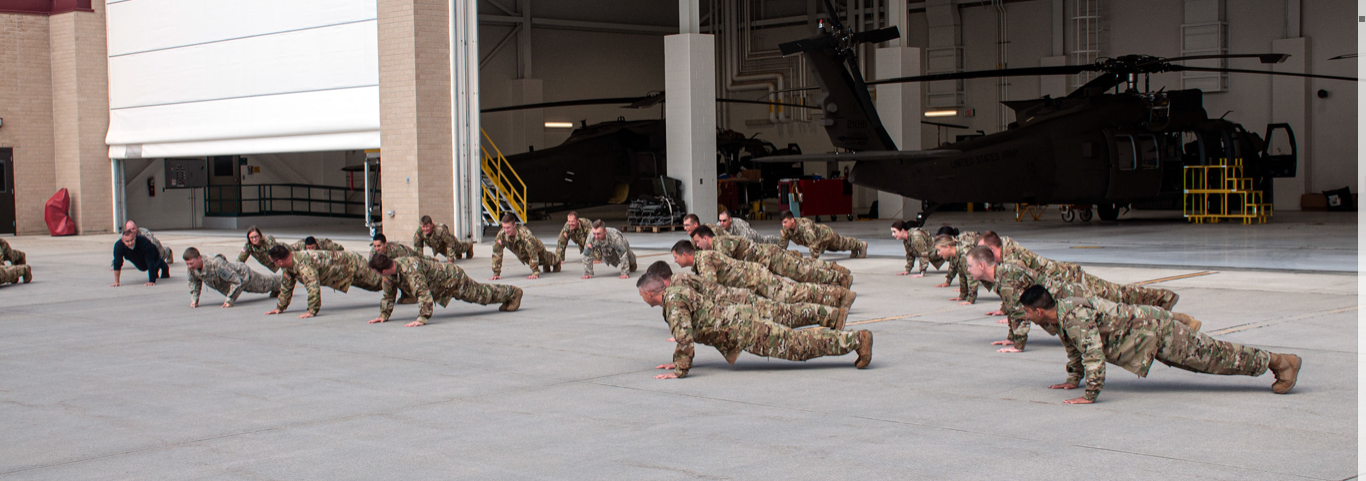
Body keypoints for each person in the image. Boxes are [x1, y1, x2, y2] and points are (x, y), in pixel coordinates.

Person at [1018, 285, 1302, 403]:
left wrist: (1089, 395)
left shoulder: (1074, 317)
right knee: (1211, 360)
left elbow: (1092, 354)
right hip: (1149, 336)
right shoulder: (1061, 314)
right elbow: (1075, 348)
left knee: (1215, 357)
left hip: (1157, 333)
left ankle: (1280, 362)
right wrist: (1073, 378)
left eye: (1028, 312)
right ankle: (1180, 320)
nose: (1027, 317)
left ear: (1039, 311)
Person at [637, 272, 872, 379]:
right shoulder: (677, 291)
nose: (642, 299)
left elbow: (684, 337)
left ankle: (856, 340)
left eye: (642, 295)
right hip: (741, 321)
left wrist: (680, 369)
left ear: (649, 293)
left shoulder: (674, 302)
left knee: (798, 346)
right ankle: (850, 338)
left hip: (745, 331)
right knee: (795, 342)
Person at [964, 246, 1193, 352]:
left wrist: (1017, 345)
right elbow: (1020, 310)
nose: (968, 270)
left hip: (1074, 297)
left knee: (1126, 313)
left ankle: (1178, 318)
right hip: (1069, 299)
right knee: (1125, 313)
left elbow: (1018, 313)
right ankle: (1175, 317)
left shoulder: (1005, 279)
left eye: (970, 266)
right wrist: (1011, 338)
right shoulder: (1003, 276)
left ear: (982, 265)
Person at [646, 261, 847, 330]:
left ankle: (833, 313)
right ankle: (832, 314)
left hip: (740, 303)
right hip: (738, 301)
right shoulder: (680, 279)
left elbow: (694, 308)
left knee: (788, 315)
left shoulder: (678, 283)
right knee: (787, 315)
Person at [671, 240, 854, 308]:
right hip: (754, 278)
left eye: (676, 257)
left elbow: (711, 288)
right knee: (792, 292)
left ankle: (839, 296)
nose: (675, 262)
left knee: (792, 294)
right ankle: (837, 295)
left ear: (685, 254)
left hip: (757, 279)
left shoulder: (704, 261)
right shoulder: (702, 260)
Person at [367, 253, 523, 327]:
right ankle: (509, 294)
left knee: (481, 295)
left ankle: (513, 292)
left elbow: (423, 293)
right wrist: (383, 315)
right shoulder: (388, 274)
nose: (376, 276)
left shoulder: (410, 269)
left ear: (384, 270)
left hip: (452, 278)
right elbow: (388, 295)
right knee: (481, 295)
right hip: (441, 286)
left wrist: (422, 318)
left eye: (376, 273)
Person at [691, 226, 851, 288]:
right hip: (766, 259)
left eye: (698, 242)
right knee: (802, 268)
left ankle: (839, 279)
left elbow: (728, 267)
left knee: (802, 273)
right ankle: (835, 273)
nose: (697, 246)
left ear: (706, 238)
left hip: (770, 257)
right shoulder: (719, 244)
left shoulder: (721, 245)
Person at [265, 246, 384, 318]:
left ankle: (399, 275)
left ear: (279, 261)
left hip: (353, 264)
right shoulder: (288, 267)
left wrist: (312, 310)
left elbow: (313, 287)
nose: (273, 265)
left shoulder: (304, 264)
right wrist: (280, 307)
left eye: (273, 262)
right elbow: (286, 286)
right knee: (375, 286)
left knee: (378, 283)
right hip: (342, 273)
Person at [183, 247, 281, 308]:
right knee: (266, 285)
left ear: (199, 258)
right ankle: (278, 287)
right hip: (230, 282)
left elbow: (236, 280)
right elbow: (194, 283)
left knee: (264, 285)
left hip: (243, 275)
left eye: (191, 263)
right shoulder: (191, 269)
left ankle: (284, 281)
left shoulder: (216, 263)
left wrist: (230, 300)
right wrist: (194, 300)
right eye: (187, 264)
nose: (189, 266)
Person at [490, 213, 560, 280]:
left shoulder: (524, 235)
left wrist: (535, 272)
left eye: (508, 227)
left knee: (544, 259)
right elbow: (497, 253)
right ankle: (546, 265)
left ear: (514, 225)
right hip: (523, 253)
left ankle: (557, 260)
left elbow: (533, 253)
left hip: (536, 247)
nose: (506, 230)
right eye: (504, 228)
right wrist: (496, 273)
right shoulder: (501, 235)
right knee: (531, 260)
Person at [778, 211, 867, 259]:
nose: (784, 225)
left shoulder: (805, 227)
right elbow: (782, 246)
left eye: (785, 222)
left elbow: (813, 244)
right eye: (782, 223)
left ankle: (861, 245)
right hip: (819, 241)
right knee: (837, 248)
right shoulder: (785, 230)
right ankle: (854, 248)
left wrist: (813, 260)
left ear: (792, 220)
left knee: (842, 244)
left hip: (825, 236)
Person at [933, 231, 985, 303]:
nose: (938, 253)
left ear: (948, 247)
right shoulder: (955, 255)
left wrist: (970, 299)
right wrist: (963, 295)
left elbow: (972, 278)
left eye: (939, 250)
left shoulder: (964, 256)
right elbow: (962, 274)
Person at [716, 209, 784, 246]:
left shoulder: (739, 224)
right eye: (720, 220)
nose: (722, 223)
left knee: (765, 240)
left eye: (724, 221)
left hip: (751, 235)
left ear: (730, 219)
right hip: (736, 240)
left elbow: (747, 242)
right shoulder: (718, 226)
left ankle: (780, 240)